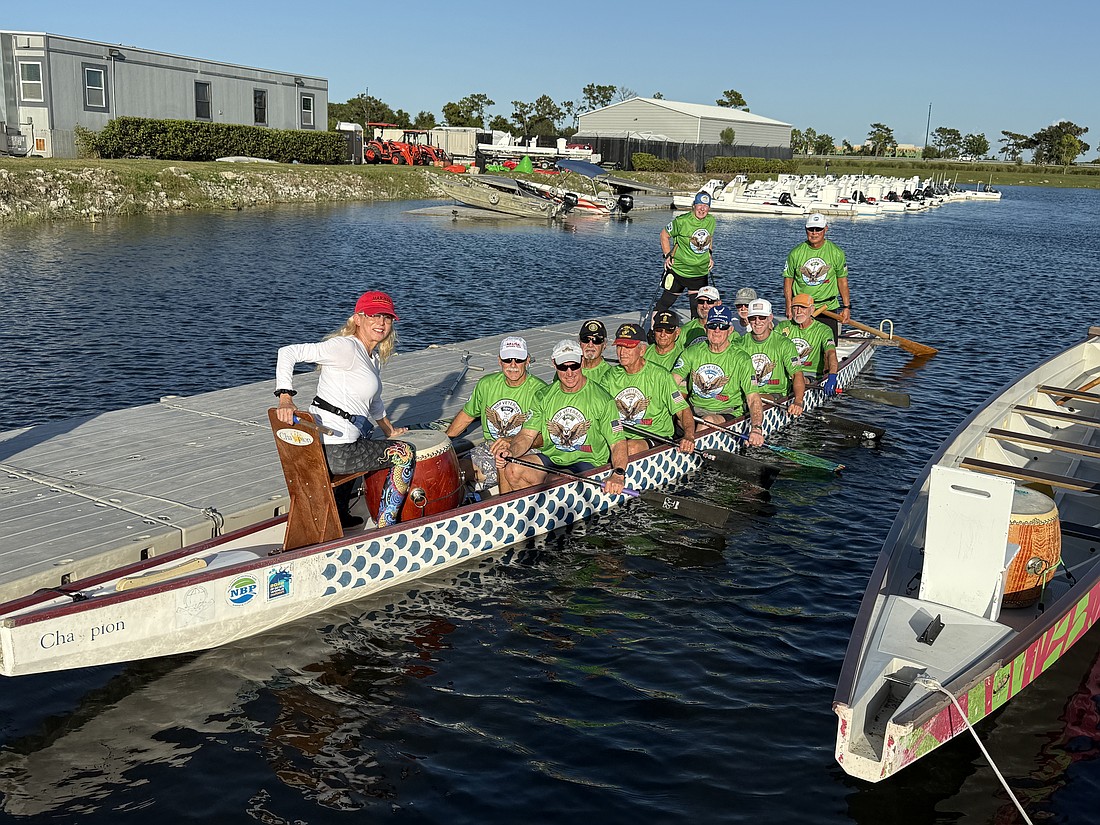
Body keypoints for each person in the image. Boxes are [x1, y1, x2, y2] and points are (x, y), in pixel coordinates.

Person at [274, 290, 414, 529]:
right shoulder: (344, 347)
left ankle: (339, 514)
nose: (381, 323)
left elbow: (375, 401)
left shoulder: (372, 357)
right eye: (373, 316)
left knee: (366, 440)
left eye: (387, 318)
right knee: (405, 453)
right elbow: (288, 352)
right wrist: (285, 398)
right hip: (334, 449)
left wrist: (389, 429)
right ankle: (387, 526)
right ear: (357, 319)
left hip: (343, 441)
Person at [493, 340, 629, 495]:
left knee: (553, 480)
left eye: (574, 366)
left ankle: (539, 505)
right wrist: (511, 452)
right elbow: (526, 435)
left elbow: (617, 443)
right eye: (563, 367)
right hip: (553, 458)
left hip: (588, 462)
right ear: (554, 364)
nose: (569, 373)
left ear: (582, 362)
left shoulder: (603, 399)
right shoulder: (543, 396)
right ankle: (532, 508)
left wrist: (618, 474)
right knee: (512, 469)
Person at [445, 336, 549, 490]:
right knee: (454, 471)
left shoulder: (541, 391)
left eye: (518, 360)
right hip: (490, 447)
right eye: (507, 360)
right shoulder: (486, 384)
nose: (513, 365)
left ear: (527, 361)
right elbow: (467, 416)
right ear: (500, 361)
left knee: (507, 465)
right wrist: (444, 442)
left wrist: (512, 441)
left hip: (527, 450)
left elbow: (545, 438)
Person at [673, 305, 764, 444]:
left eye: (722, 326)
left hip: (726, 411)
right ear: (706, 328)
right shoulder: (691, 352)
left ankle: (688, 449)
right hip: (695, 408)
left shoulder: (741, 358)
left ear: (730, 330)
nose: (717, 330)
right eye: (713, 325)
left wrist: (756, 428)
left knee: (708, 421)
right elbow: (671, 383)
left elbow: (752, 398)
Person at [603, 323, 695, 456]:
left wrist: (689, 436)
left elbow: (682, 410)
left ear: (642, 350)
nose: (622, 352)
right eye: (619, 346)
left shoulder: (660, 376)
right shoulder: (610, 376)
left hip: (656, 437)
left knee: (631, 447)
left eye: (628, 347)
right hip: (621, 436)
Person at [783, 212, 851, 340]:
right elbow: (788, 281)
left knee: (828, 348)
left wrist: (846, 307)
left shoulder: (836, 253)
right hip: (801, 308)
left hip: (827, 308)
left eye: (818, 229)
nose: (814, 233)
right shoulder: (795, 253)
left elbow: (842, 282)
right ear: (806, 229)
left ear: (825, 229)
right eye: (811, 229)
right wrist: (788, 305)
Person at [739, 298, 806, 418]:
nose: (757, 322)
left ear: (770, 318)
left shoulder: (784, 344)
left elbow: (797, 374)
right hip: (748, 394)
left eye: (762, 317)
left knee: (754, 400)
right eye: (753, 318)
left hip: (774, 394)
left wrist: (798, 401)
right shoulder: (739, 343)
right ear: (748, 319)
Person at [656, 191, 716, 323]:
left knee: (697, 309)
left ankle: (697, 338)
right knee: (665, 303)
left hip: (699, 272)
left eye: (705, 206)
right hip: (679, 269)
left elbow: (709, 238)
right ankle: (654, 331)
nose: (702, 209)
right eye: (699, 205)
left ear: (709, 208)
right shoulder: (682, 221)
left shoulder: (711, 221)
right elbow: (664, 235)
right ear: (694, 205)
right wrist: (667, 255)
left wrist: (710, 255)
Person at [775, 293, 840, 396]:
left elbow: (830, 353)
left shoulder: (824, 330)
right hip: (786, 373)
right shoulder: (782, 327)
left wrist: (832, 376)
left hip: (809, 375)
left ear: (812, 309)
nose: (798, 311)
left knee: (799, 379)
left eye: (803, 308)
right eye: (795, 308)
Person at [578, 319, 614, 386]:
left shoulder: (611, 375)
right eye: (586, 339)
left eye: (596, 340)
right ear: (579, 342)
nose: (590, 345)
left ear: (604, 345)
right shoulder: (567, 369)